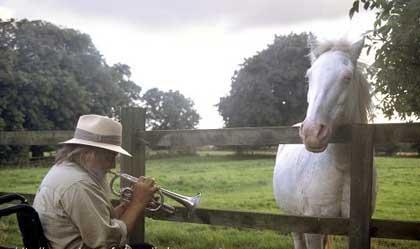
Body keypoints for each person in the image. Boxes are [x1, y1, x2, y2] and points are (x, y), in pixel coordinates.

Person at [33, 114, 158, 249]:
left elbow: (97, 221)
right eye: (109, 157)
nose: (112, 165)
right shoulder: (80, 184)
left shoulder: (64, 170)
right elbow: (109, 243)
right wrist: (137, 203)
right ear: (87, 153)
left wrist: (129, 204)